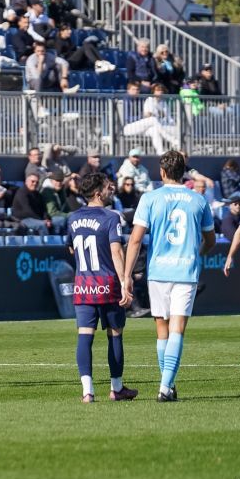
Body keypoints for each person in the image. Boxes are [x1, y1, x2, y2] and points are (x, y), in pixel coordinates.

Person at [122, 151, 216, 402]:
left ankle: (167, 385)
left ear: (162, 172)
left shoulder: (150, 198)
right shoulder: (198, 200)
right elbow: (211, 240)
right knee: (178, 330)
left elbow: (135, 239)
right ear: (183, 172)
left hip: (158, 271)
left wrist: (126, 275)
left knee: (162, 329)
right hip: (185, 270)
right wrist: (199, 253)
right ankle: (166, 387)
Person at [68, 173, 138, 403]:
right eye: (107, 188)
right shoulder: (110, 217)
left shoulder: (72, 218)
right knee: (115, 335)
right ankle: (116, 388)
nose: (111, 190)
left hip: (83, 285)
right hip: (107, 284)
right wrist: (125, 281)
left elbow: (71, 249)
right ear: (98, 193)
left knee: (84, 336)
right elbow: (117, 252)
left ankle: (87, 391)